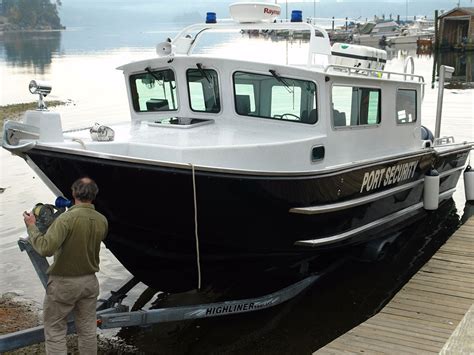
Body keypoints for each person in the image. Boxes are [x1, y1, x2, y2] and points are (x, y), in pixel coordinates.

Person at [23, 177, 108, 355]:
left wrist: (32, 227)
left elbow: (45, 248)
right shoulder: (102, 220)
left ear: (73, 193)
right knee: (87, 331)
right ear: (94, 195)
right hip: (90, 283)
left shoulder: (65, 219)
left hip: (64, 284)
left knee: (55, 331)